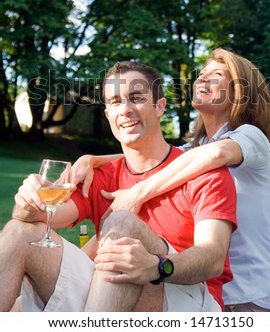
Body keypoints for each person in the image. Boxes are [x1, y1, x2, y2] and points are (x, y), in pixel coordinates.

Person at [0, 60, 237, 312]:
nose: (125, 109)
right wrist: (27, 201)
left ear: (160, 106)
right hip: (106, 294)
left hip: (181, 294)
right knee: (19, 231)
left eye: (136, 97)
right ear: (108, 115)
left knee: (122, 223)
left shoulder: (202, 171)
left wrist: (156, 265)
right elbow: (38, 216)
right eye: (115, 101)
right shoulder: (100, 175)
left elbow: (212, 257)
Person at [72, 48, 270, 312]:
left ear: (241, 92)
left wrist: (138, 193)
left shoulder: (251, 137)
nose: (202, 79)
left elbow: (216, 154)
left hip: (247, 300)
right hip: (199, 288)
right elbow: (154, 152)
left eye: (216, 75)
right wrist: (92, 159)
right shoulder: (195, 150)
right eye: (201, 74)